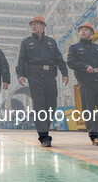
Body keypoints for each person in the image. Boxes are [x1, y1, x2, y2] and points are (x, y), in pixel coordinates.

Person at [16, 16, 69, 147]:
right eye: (32, 25)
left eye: (36, 24)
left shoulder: (51, 42)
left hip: (50, 75)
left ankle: (45, 128)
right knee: (39, 104)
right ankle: (44, 136)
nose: (33, 26)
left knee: (51, 103)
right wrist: (20, 75)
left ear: (43, 26)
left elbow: (59, 59)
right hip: (34, 75)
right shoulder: (26, 42)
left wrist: (65, 73)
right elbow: (21, 60)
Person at [67, 22, 98, 146]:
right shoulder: (74, 48)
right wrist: (85, 67)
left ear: (92, 33)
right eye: (81, 30)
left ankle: (95, 130)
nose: (84, 31)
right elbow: (71, 62)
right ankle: (95, 136)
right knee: (89, 110)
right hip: (86, 82)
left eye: (86, 30)